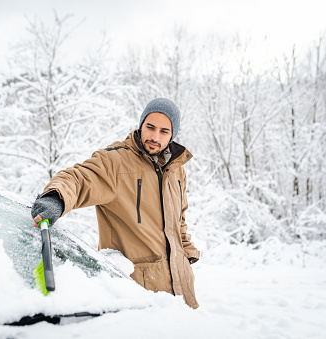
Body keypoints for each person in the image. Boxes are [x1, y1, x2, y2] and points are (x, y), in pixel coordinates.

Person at [31, 98, 200, 308]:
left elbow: (179, 219)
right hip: (137, 295)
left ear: (172, 135)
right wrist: (57, 198)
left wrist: (186, 255)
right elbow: (79, 178)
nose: (155, 137)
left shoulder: (177, 169)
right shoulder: (116, 162)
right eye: (150, 127)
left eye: (164, 131)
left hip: (182, 290)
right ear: (141, 125)